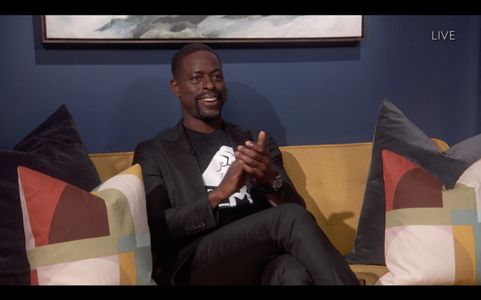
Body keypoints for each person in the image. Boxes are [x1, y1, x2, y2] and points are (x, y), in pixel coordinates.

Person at [133, 43, 359, 285]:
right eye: (196, 78)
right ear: (176, 88)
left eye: (216, 76)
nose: (209, 85)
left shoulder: (254, 141)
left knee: (292, 272)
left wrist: (270, 179)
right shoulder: (155, 151)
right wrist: (219, 194)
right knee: (288, 219)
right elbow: (155, 229)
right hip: (195, 262)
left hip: (257, 255)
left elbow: (299, 213)